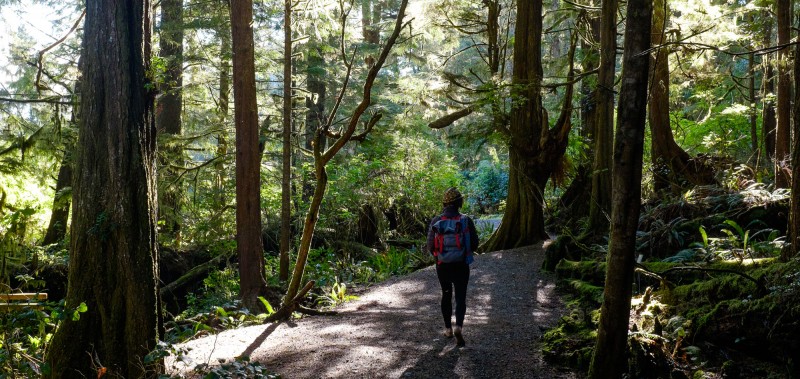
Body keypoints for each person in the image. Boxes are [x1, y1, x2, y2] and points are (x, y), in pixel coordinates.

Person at [426, 187, 478, 347]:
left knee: (446, 294)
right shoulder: (465, 220)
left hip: (443, 266)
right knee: (461, 296)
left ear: (445, 203)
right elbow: (475, 244)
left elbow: (430, 246)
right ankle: (459, 327)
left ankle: (448, 329)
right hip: (461, 265)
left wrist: (440, 256)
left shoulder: (436, 221)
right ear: (459, 203)